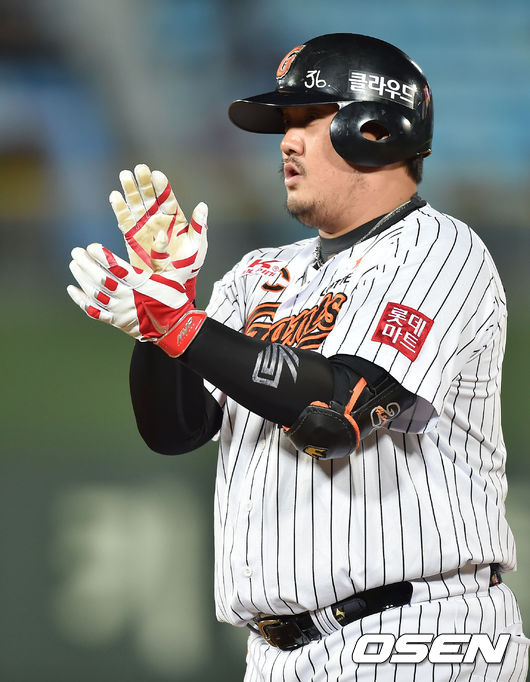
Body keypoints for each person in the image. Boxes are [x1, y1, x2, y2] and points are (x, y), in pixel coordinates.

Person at [67, 33, 528, 681]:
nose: (286, 141)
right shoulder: (259, 273)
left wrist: (180, 326)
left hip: (417, 629)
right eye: (285, 124)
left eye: (309, 118)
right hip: (278, 652)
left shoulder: (438, 249)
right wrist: (161, 318)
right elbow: (176, 429)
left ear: (376, 128)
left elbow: (337, 412)